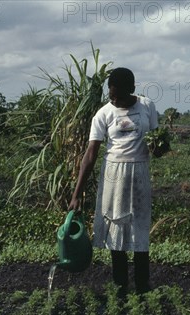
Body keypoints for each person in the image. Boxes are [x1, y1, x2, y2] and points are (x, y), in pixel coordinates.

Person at [68, 67, 158, 295]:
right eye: (111, 95)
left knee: (139, 227)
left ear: (132, 90)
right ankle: (120, 285)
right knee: (116, 227)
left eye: (119, 96)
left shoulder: (147, 106)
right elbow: (90, 154)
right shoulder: (103, 114)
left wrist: (160, 148)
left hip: (140, 174)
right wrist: (77, 193)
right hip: (113, 175)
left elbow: (156, 140)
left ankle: (142, 285)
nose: (115, 100)